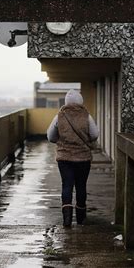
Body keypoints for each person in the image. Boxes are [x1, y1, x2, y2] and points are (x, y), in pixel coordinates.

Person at [47, 89, 99, 227]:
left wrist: (62, 139)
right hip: (83, 158)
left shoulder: (59, 116)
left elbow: (50, 136)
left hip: (64, 158)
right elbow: (94, 135)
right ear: (80, 101)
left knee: (67, 185)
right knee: (81, 186)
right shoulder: (86, 116)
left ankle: (67, 219)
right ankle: (81, 218)